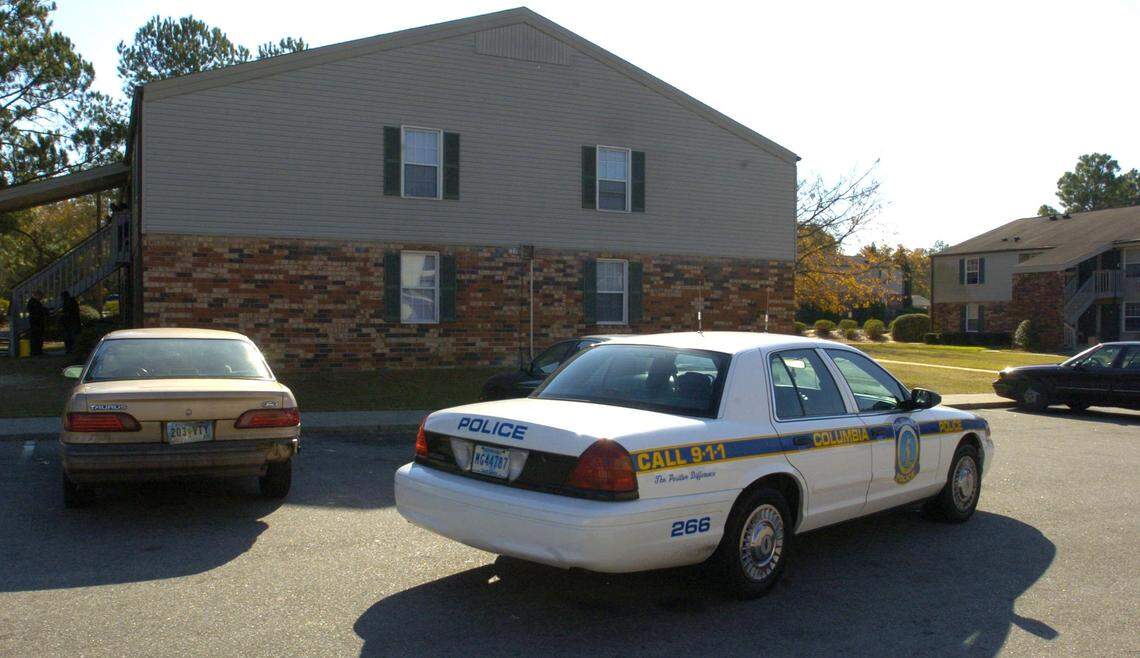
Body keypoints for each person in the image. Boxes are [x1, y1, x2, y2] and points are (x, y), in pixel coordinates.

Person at [26, 290, 46, 356]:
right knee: (36, 338)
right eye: (40, 296)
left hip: (37, 322)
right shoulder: (33, 302)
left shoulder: (36, 302)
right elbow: (36, 311)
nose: (41, 298)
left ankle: (38, 351)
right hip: (35, 323)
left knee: (38, 338)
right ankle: (35, 352)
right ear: (37, 295)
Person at [60, 290, 81, 354]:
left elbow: (69, 312)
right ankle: (71, 348)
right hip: (71, 322)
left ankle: (70, 349)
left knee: (69, 336)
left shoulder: (68, 302)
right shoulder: (71, 301)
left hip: (70, 322)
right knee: (70, 336)